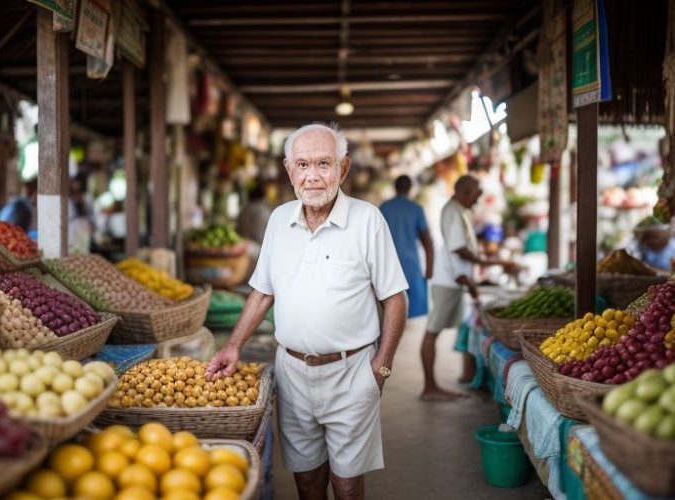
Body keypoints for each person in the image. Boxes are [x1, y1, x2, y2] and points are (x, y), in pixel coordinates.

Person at [206, 123, 408, 500]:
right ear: (288, 170)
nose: (312, 176)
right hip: (292, 372)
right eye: (302, 165)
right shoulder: (279, 220)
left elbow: (395, 298)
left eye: (323, 164)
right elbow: (262, 291)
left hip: (351, 373)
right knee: (306, 478)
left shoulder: (367, 220)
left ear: (343, 168)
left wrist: (381, 368)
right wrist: (233, 345)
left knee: (347, 483)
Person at [425, 175, 521, 400]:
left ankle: (449, 381)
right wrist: (496, 263)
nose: (477, 200)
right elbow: (460, 250)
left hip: (456, 280)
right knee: (432, 332)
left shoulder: (457, 210)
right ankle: (429, 387)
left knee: (441, 330)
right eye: (475, 195)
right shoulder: (453, 211)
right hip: (449, 280)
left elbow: (461, 250)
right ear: (464, 191)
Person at [380, 175, 434, 318]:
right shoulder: (416, 209)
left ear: (395, 188)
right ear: (410, 188)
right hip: (411, 266)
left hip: (389, 265)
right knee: (413, 316)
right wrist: (429, 270)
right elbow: (427, 241)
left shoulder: (384, 208)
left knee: (390, 311)